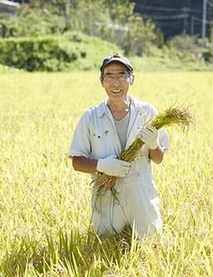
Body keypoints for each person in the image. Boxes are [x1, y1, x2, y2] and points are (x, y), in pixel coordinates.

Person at [68, 53, 170, 240]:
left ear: (131, 79)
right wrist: (101, 165)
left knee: (149, 244)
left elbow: (158, 158)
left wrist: (154, 144)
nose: (116, 83)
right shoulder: (90, 117)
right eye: (110, 76)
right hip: (107, 196)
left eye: (122, 75)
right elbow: (76, 162)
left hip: (141, 194)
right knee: (107, 247)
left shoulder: (147, 112)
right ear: (102, 81)